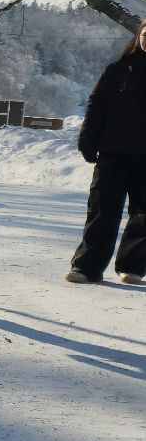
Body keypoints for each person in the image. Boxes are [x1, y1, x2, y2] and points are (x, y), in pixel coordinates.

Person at [66, 24, 146, 285]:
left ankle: (132, 266)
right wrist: (88, 140)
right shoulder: (118, 70)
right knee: (102, 211)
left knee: (143, 214)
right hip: (113, 154)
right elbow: (96, 105)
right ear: (138, 37)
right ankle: (87, 267)